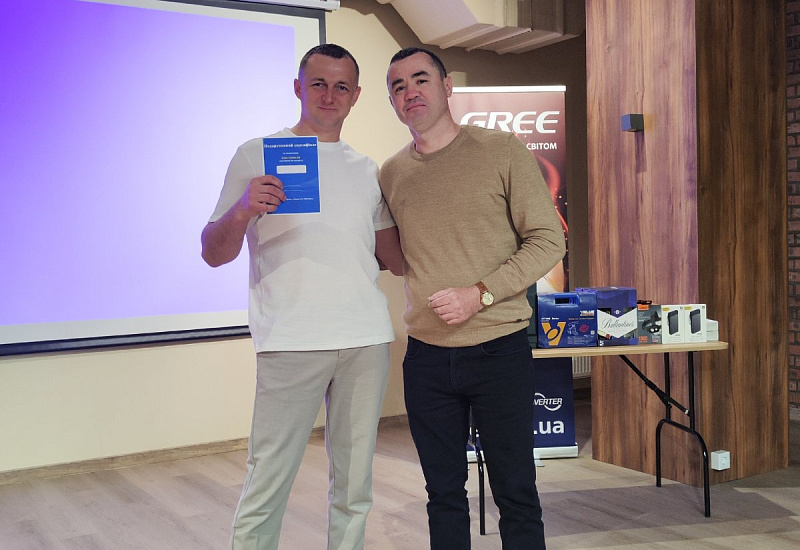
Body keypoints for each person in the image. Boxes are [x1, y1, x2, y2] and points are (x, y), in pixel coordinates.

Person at [201, 44, 403, 550]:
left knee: (355, 487)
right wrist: (243, 209)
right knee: (268, 480)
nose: (329, 95)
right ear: (298, 88)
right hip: (291, 339)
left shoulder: (367, 170)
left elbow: (394, 257)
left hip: (365, 340)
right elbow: (212, 253)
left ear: (356, 96)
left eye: (341, 87)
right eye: (318, 84)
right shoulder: (257, 154)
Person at [379, 47, 566, 550]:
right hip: (426, 358)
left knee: (515, 492)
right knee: (442, 496)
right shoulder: (391, 173)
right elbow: (395, 256)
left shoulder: (501, 150)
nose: (410, 91)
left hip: (497, 351)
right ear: (392, 102)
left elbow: (549, 241)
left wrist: (479, 294)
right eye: (398, 86)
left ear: (447, 87)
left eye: (421, 79)